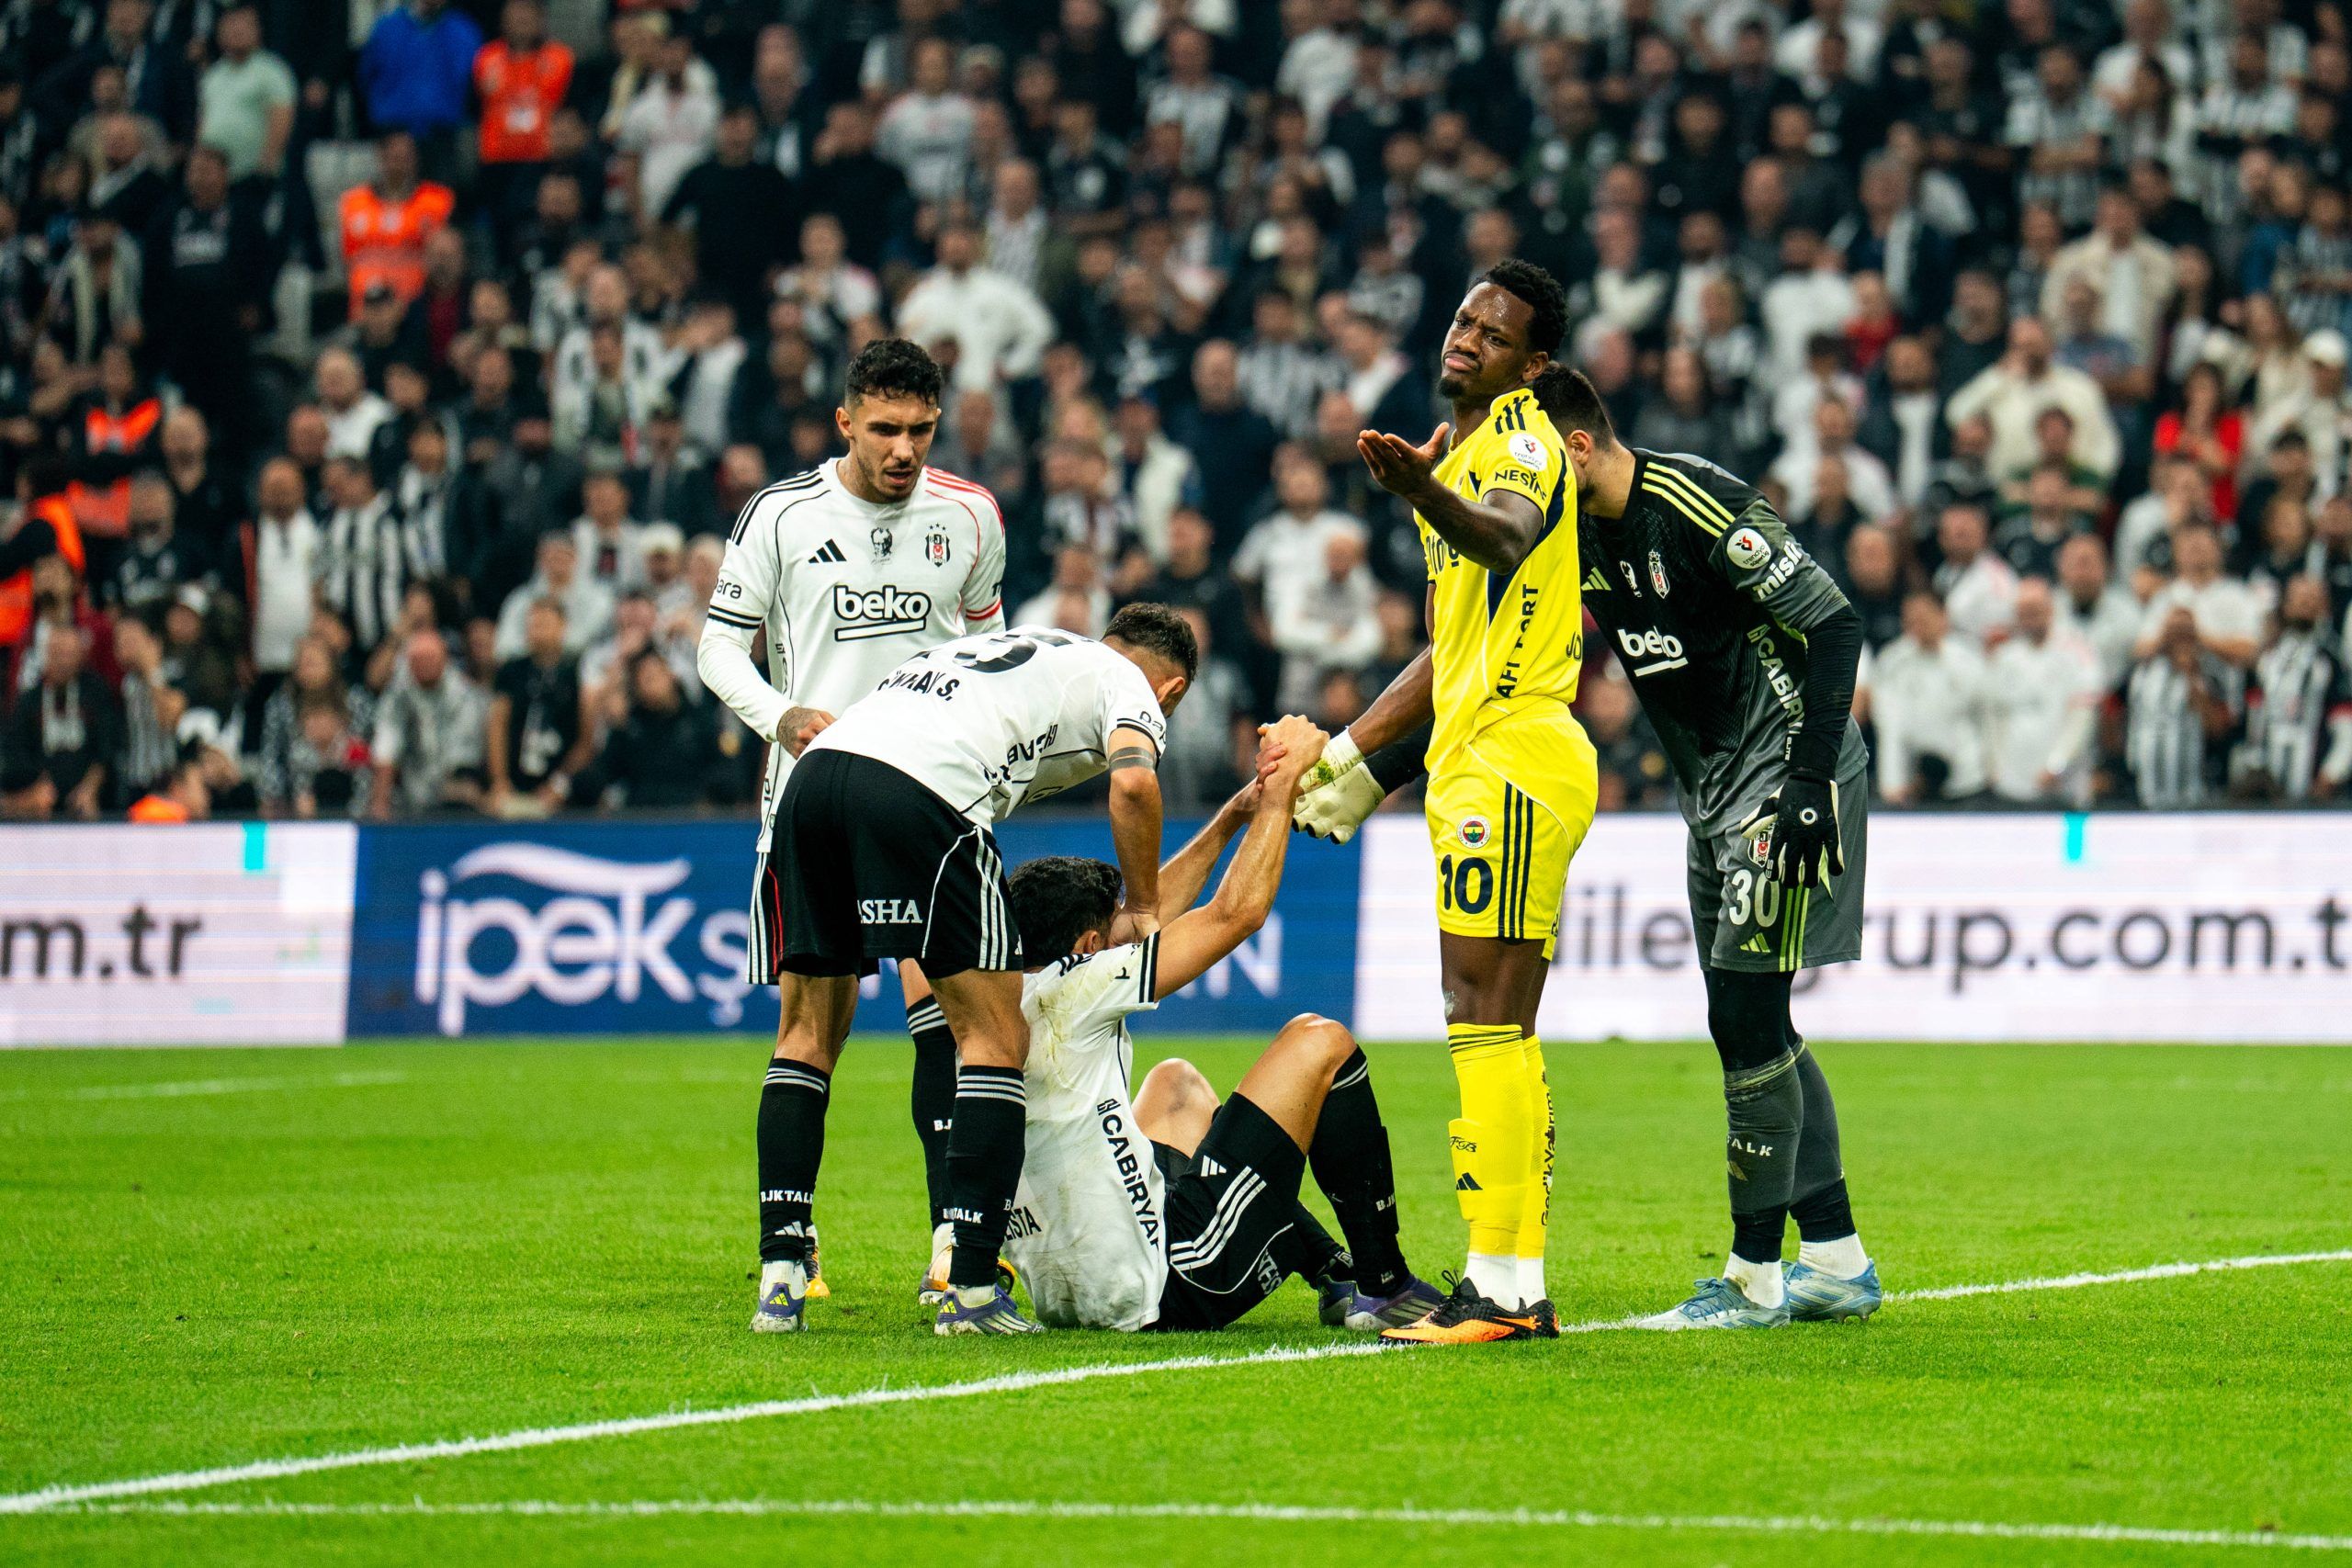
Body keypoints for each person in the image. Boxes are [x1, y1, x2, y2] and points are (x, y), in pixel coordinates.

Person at [1520, 367, 1882, 1327]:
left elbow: (1836, 620)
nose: (1523, 481)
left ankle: (1755, 1275)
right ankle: (1837, 1261)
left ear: (1580, 446)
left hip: (1788, 773)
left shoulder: (1695, 499)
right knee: (1748, 1018)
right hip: (1712, 787)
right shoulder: (1571, 533)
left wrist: (1809, 781)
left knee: (1746, 1015)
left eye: (1534, 458)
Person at [1286, 260, 1597, 1343]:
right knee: (1497, 1027)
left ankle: (1504, 1289)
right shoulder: (1464, 450)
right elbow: (1447, 647)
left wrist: (1420, 493)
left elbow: (1505, 535)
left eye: (1496, 332)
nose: (1468, 337)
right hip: (1485, 755)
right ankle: (1506, 1281)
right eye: (1464, 318)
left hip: (1510, 757)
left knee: (1483, 1021)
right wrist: (1361, 755)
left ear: (1532, 363)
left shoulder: (1515, 444)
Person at [745, 606, 1194, 1337]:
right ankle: (973, 1287)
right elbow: (1136, 788)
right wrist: (1143, 904)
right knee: (994, 1039)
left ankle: (782, 1272)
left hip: (816, 778)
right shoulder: (1132, 686)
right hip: (924, 791)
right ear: (1171, 689)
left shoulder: (1031, 648)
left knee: (804, 1036)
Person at [695, 341, 1016, 1308]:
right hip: (814, 803)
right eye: (884, 429)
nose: (904, 449)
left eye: (921, 430)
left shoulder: (968, 516)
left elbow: (990, 656)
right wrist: (781, 717)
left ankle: (950, 1252)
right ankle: (784, 1257)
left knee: (952, 1025)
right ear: (845, 422)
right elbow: (718, 650)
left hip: (929, 804)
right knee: (810, 1028)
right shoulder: (782, 515)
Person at [1000, 721, 1443, 1334]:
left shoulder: (1006, 994)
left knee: (1175, 1085)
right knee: (1320, 1040)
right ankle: (1385, 1285)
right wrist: (1286, 781)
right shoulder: (1079, 986)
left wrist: (1235, 815)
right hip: (1170, 1283)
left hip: (1070, 1295)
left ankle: (1330, 1268)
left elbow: (1144, 920)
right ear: (1086, 945)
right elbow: (1238, 913)